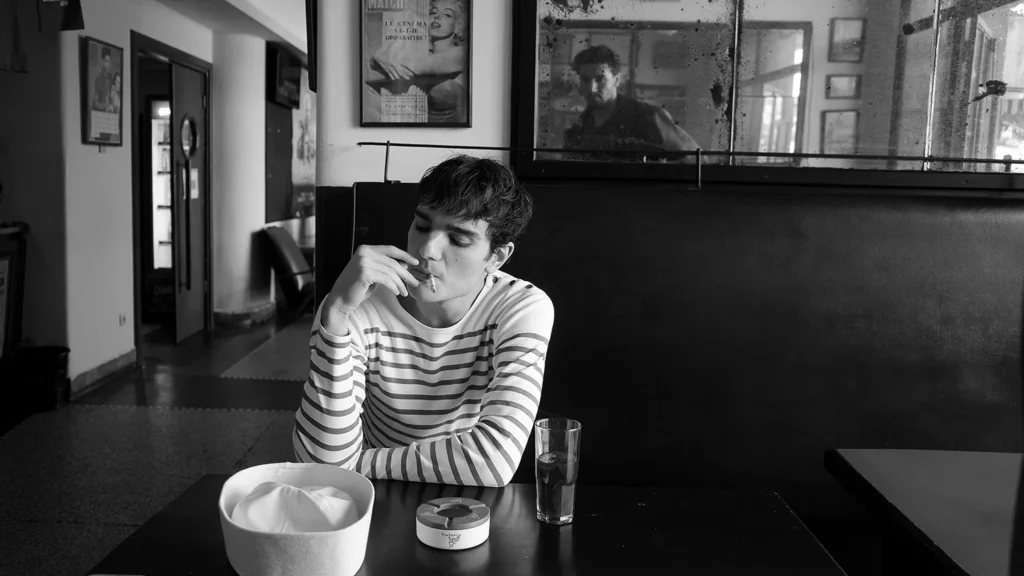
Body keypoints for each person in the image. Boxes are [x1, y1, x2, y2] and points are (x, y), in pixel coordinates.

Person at [293, 155, 555, 487]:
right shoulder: (356, 304)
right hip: (374, 494)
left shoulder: (519, 306)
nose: (428, 249)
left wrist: (359, 461)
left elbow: (494, 460)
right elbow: (320, 466)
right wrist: (336, 312)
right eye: (421, 225)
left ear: (497, 257)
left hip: (462, 495)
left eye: (458, 239)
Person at [564, 44, 700, 161]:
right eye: (586, 80)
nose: (592, 88)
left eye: (601, 79)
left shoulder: (648, 116)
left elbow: (695, 161)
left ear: (616, 80)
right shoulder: (578, 128)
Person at [370, 0, 468, 124]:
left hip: (451, 136)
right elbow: (372, 74)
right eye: (433, 12)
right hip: (416, 134)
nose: (437, 16)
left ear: (458, 26)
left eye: (448, 14)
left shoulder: (461, 54)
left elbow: (417, 66)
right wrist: (377, 59)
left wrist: (380, 56)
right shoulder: (421, 53)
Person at [93, 47, 114, 112]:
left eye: (109, 61)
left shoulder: (111, 78)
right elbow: (95, 102)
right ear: (102, 61)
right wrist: (103, 106)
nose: (107, 64)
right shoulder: (98, 79)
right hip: (101, 114)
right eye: (106, 61)